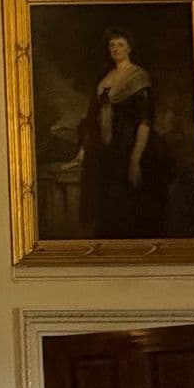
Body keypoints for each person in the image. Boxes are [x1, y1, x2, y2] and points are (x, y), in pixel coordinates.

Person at [69, 26, 165, 238]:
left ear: (129, 48)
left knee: (127, 206)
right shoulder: (105, 77)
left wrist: (135, 159)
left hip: (129, 149)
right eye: (112, 45)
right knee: (104, 208)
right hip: (105, 152)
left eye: (120, 44)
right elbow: (92, 118)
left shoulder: (138, 77)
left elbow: (145, 121)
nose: (115, 49)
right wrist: (83, 150)